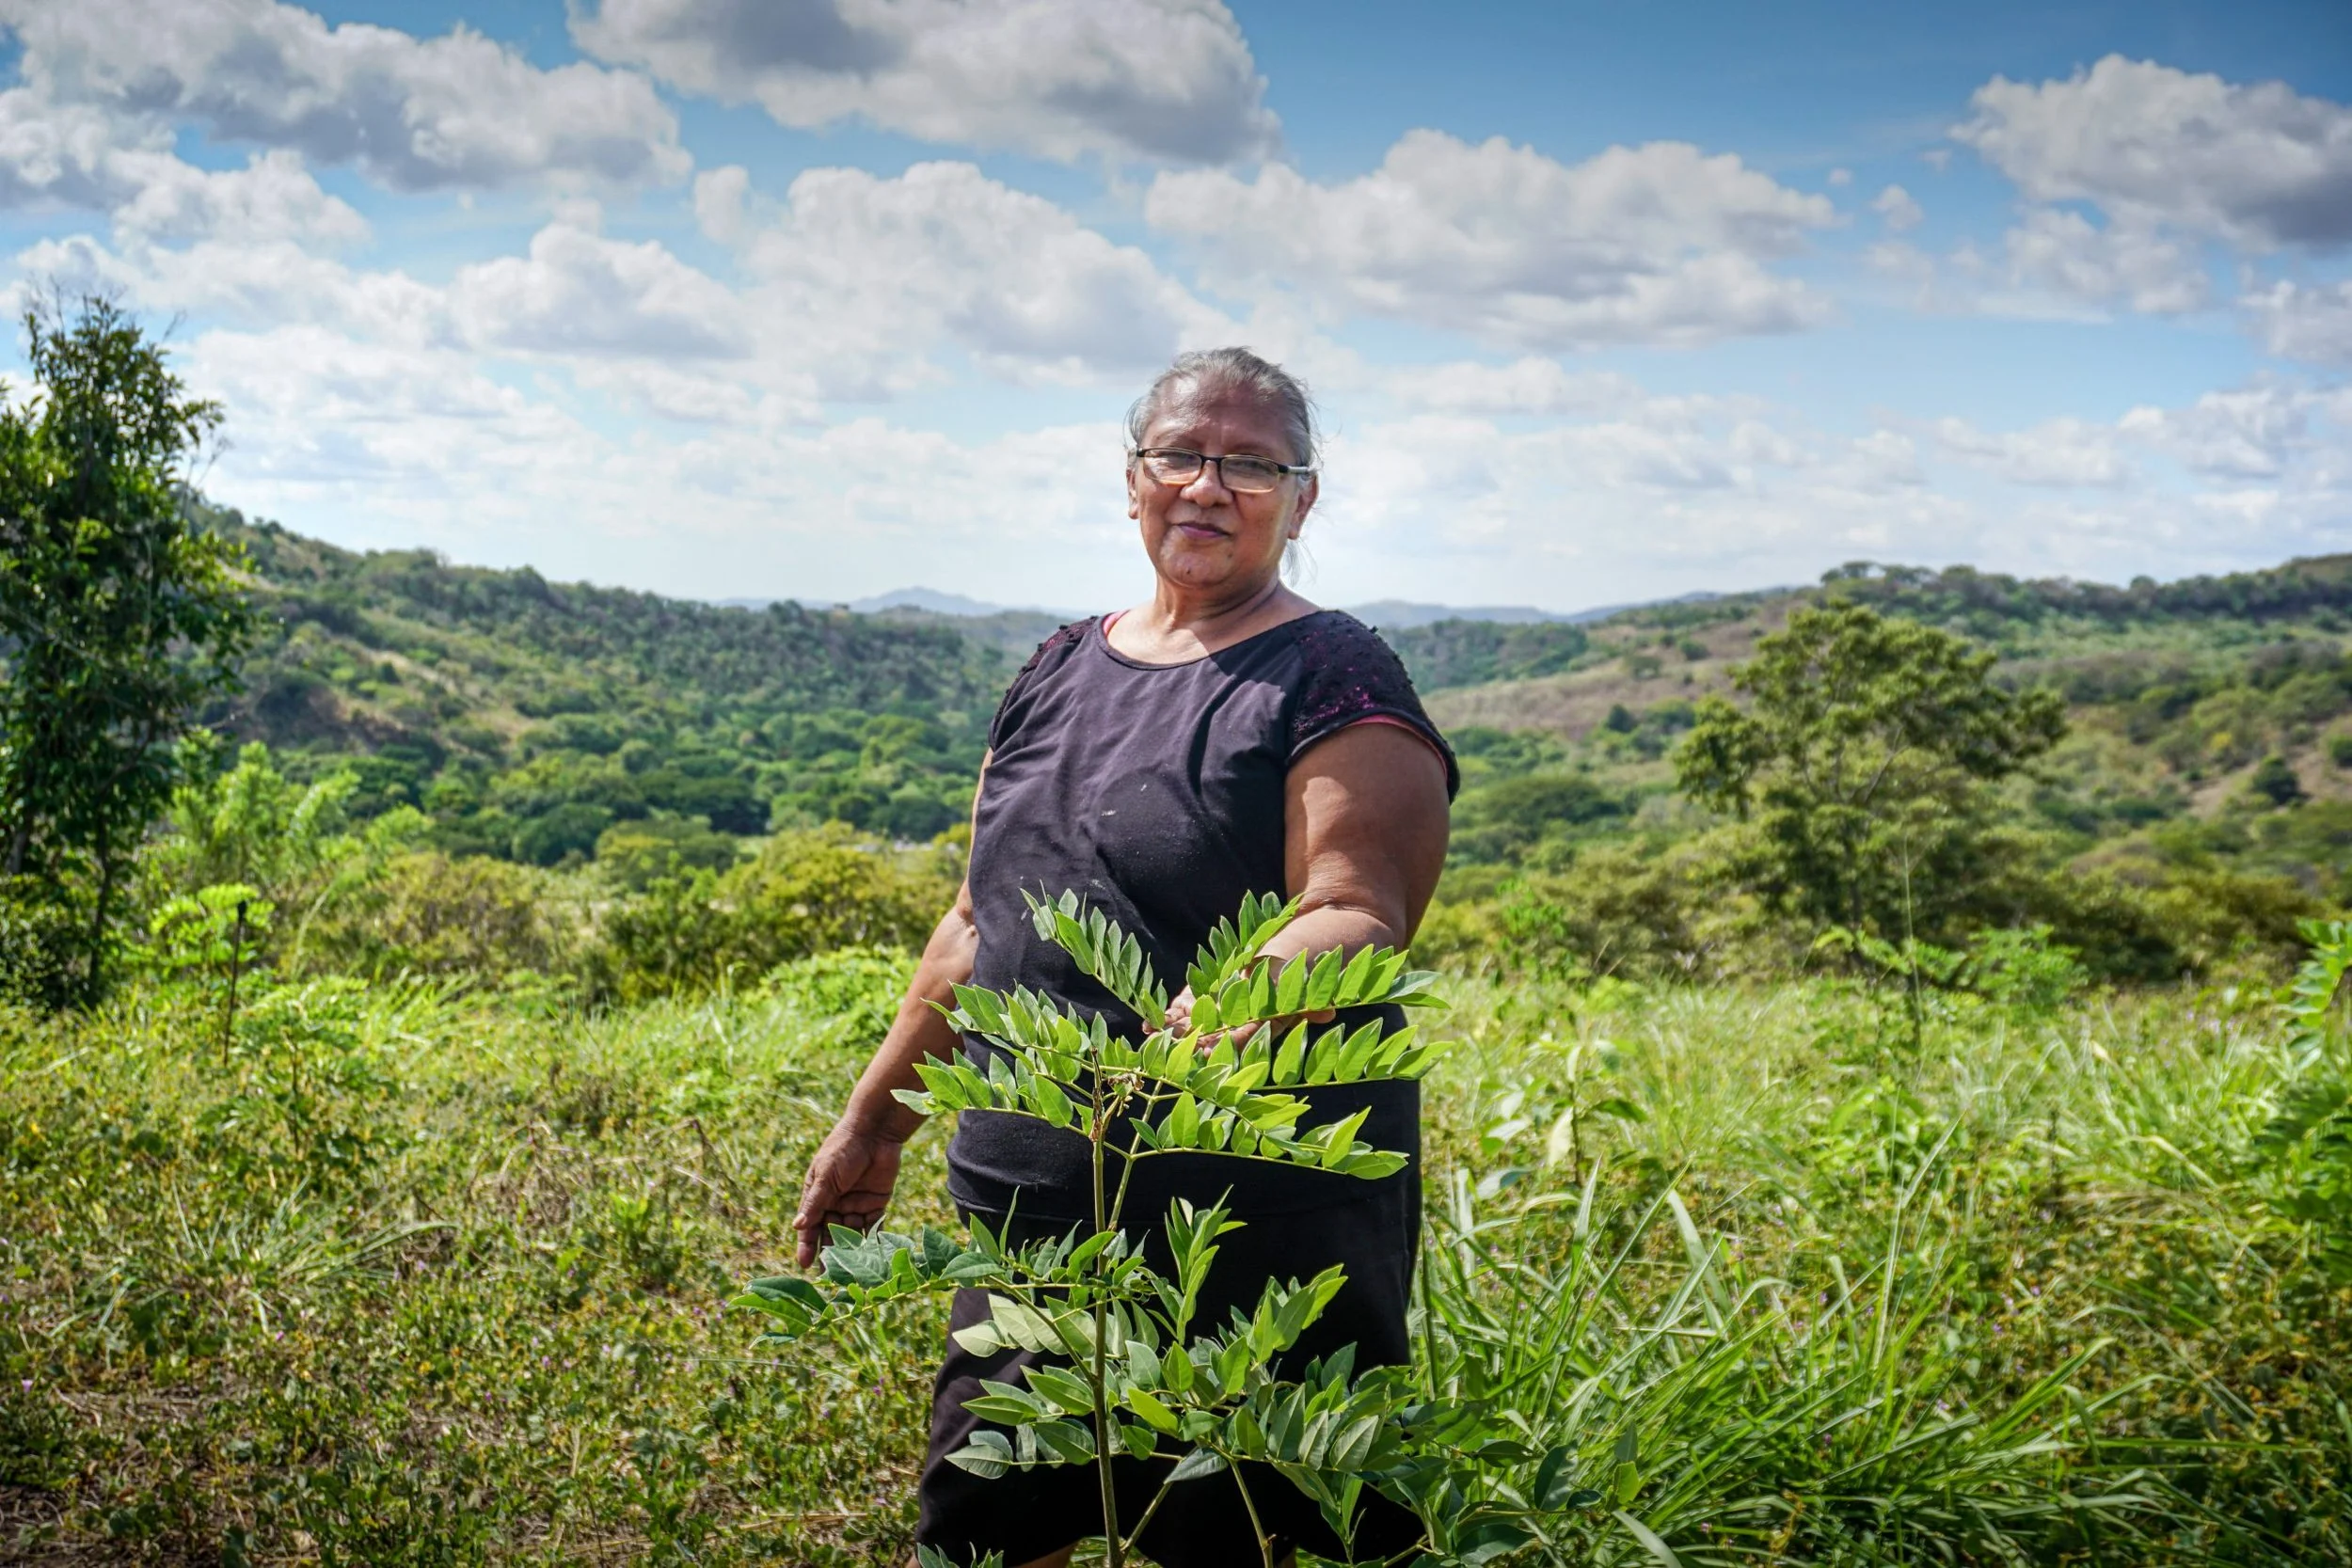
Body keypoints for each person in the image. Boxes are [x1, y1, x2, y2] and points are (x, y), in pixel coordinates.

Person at [793, 346, 1456, 1568]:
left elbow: (1360, 904)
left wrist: (1243, 998)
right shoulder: (1056, 666)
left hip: (1254, 1232)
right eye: (1180, 454)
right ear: (1134, 476)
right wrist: (874, 1122)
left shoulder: (1331, 671)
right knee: (983, 1535)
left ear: (1303, 499)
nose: (1208, 484)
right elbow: (976, 922)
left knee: (1266, 1539)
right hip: (1035, 1222)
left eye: (1251, 464)